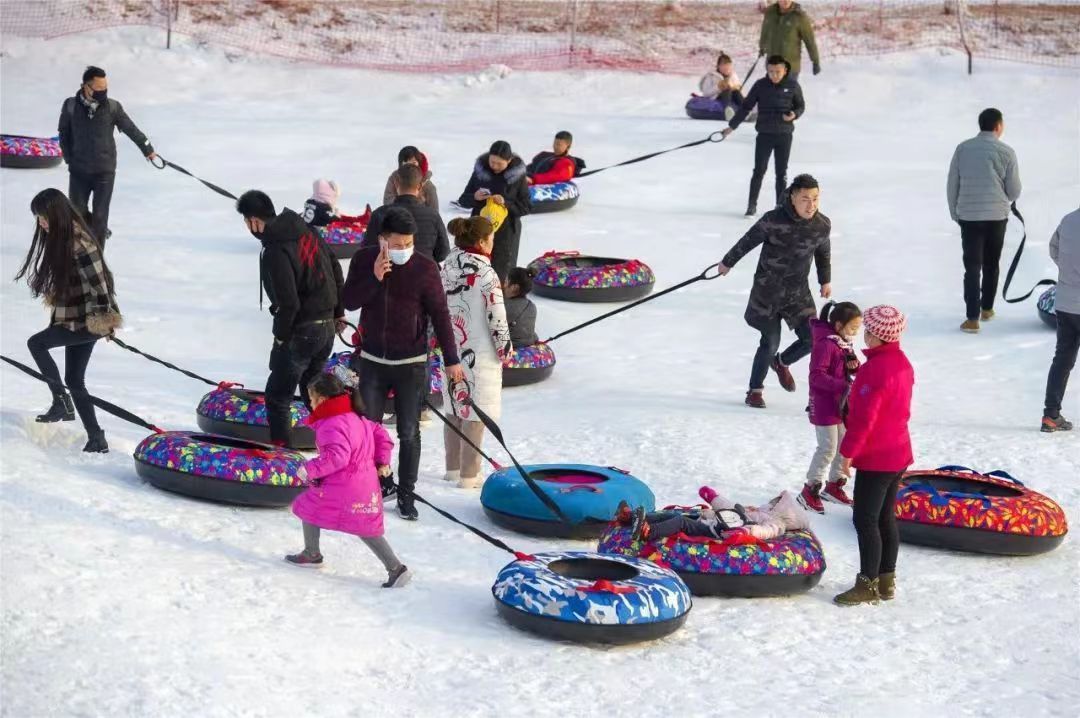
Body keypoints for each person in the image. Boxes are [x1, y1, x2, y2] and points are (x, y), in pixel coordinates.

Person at [342, 206, 465, 521]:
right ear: (383, 240)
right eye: (397, 245)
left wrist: (451, 360)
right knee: (369, 430)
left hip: (411, 362)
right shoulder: (362, 259)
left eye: (408, 244)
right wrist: (374, 276)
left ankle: (407, 495)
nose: (403, 251)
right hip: (371, 360)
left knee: (409, 431)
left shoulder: (425, 268)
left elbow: (440, 314)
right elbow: (349, 301)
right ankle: (373, 486)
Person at [15, 188, 122, 453]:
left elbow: (100, 286)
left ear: (57, 216)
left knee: (37, 344)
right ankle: (96, 438)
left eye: (44, 218)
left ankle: (60, 402)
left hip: (86, 323)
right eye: (38, 218)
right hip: (74, 319)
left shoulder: (80, 245)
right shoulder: (64, 239)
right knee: (75, 379)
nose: (41, 223)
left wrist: (105, 322)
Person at [236, 190, 345, 448]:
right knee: (313, 392)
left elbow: (289, 303)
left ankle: (281, 455)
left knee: (278, 396)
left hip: (302, 330)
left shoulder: (275, 248)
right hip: (326, 326)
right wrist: (338, 310)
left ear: (253, 221)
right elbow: (336, 268)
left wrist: (280, 337)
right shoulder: (306, 230)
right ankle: (337, 446)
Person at [716, 174, 831, 409]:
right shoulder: (773, 220)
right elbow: (747, 241)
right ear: (792, 197)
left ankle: (782, 363)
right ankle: (755, 390)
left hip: (798, 292)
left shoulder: (822, 225)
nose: (811, 205)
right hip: (767, 292)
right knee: (770, 341)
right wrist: (728, 262)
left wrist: (825, 281)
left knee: (813, 339)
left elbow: (823, 253)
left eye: (815, 199)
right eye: (805, 199)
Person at [286, 373, 411, 588]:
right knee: (319, 509)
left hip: (346, 485)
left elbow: (337, 457)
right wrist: (382, 461)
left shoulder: (331, 424)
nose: (311, 404)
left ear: (323, 400)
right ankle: (312, 552)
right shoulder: (355, 416)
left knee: (348, 521)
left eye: (312, 399)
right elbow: (381, 433)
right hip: (362, 482)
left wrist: (309, 470)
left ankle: (395, 568)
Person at [834, 305, 914, 607]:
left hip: (877, 457)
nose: (864, 334)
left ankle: (867, 583)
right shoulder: (903, 363)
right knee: (885, 518)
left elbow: (863, 418)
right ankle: (886, 580)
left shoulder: (873, 371)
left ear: (877, 336)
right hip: (899, 452)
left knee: (865, 519)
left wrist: (848, 454)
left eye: (868, 330)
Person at [441, 217, 512, 489]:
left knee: (454, 408)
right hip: (480, 354)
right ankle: (469, 476)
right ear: (482, 242)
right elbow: (497, 318)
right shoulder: (486, 274)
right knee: (476, 412)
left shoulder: (445, 267)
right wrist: (505, 349)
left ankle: (452, 468)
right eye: (491, 239)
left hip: (451, 351)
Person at [57, 66, 157, 247]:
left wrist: (147, 148)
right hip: (79, 170)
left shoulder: (113, 107)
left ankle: (98, 257)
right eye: (98, 89)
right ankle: (89, 238)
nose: (102, 93)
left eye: (105, 89)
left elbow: (131, 129)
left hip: (104, 172)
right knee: (77, 214)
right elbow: (63, 133)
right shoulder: (70, 105)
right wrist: (69, 158)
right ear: (85, 87)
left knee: (101, 216)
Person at [947, 108, 1023, 334]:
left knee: (972, 267)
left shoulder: (962, 149)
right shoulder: (1007, 152)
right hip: (997, 217)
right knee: (992, 263)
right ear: (998, 126)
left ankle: (972, 319)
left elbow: (953, 183)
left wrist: (955, 212)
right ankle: (987, 308)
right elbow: (1014, 190)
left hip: (969, 217)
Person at [799, 301, 862, 513]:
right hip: (824, 404)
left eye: (857, 328)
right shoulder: (825, 345)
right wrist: (844, 385)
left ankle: (834, 485)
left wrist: (853, 366)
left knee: (844, 445)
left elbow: (847, 367)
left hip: (840, 404)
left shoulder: (843, 343)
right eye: (852, 327)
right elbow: (816, 376)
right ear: (837, 325)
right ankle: (810, 489)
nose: (855, 332)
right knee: (827, 448)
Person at [722, 55, 804, 216]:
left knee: (781, 173)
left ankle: (780, 206)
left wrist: (794, 114)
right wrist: (731, 127)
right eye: (771, 71)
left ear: (785, 70)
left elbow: (801, 106)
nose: (774, 75)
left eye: (777, 72)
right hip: (764, 135)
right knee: (759, 171)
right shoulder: (760, 85)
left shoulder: (793, 86)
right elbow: (746, 107)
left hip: (784, 135)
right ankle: (751, 205)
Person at [616, 486, 810, 542]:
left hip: (719, 532)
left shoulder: (777, 523)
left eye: (777, 502)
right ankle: (633, 518)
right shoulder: (762, 510)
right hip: (714, 521)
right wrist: (715, 498)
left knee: (680, 522)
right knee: (671, 516)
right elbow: (732, 508)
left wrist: (745, 533)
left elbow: (764, 531)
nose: (772, 503)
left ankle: (650, 532)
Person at [457, 140, 531, 281]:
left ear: (509, 161)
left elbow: (526, 206)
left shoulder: (517, 177)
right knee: (475, 271)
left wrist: (505, 203)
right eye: (492, 162)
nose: (495, 166)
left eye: (499, 163)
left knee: (499, 274)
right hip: (478, 230)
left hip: (505, 233)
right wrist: (475, 197)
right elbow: (463, 200)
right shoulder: (480, 172)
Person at [362, 164, 450, 263]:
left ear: (395, 183)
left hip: (387, 273)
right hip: (425, 273)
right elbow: (443, 252)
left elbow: (366, 251)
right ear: (420, 186)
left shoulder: (379, 214)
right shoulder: (432, 215)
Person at [1043, 208, 1079, 432]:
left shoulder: (1069, 219)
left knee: (1062, 359)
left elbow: (1053, 249)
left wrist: (1069, 275)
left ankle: (1051, 414)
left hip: (1066, 303)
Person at [758, 0, 821, 83]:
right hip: (772, 64)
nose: (786, 1)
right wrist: (762, 47)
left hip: (790, 67)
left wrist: (815, 61)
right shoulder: (770, 12)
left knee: (787, 94)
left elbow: (810, 41)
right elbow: (765, 31)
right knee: (771, 94)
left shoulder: (799, 17)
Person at [383, 146, 439, 210]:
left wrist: (417, 201)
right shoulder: (394, 178)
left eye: (413, 163)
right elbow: (387, 202)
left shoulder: (428, 186)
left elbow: (435, 213)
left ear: (419, 163)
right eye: (406, 163)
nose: (410, 167)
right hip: (397, 217)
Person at [697, 53, 743, 119]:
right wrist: (718, 87)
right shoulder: (711, 76)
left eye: (728, 65)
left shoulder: (733, 75)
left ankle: (746, 110)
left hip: (733, 96)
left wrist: (735, 87)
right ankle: (728, 111)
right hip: (717, 97)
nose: (726, 67)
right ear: (718, 66)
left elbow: (738, 86)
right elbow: (706, 93)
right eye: (723, 65)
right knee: (726, 90)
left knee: (736, 92)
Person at [504, 267, 539, 347]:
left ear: (514, 287)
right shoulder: (532, 306)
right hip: (529, 344)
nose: (504, 285)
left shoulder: (505, 307)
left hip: (513, 346)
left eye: (506, 282)